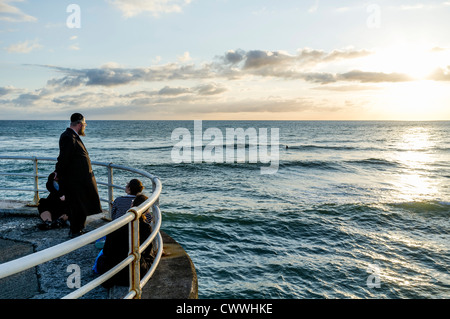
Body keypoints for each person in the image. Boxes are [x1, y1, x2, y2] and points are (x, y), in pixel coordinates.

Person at [55, 113, 102, 238]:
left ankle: (79, 229)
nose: (84, 127)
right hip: (75, 181)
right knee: (77, 207)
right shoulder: (68, 137)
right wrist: (58, 173)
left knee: (82, 206)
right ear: (80, 124)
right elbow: (64, 159)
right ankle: (75, 232)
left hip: (80, 180)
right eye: (84, 125)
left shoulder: (72, 136)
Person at [96, 194, 153, 288]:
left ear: (131, 206)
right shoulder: (146, 228)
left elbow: (106, 251)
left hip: (113, 274)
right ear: (147, 210)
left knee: (101, 259)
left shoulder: (116, 225)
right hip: (135, 274)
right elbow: (147, 253)